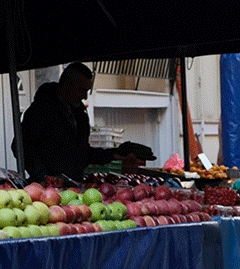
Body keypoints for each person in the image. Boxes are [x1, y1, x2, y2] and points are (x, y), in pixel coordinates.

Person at [15, 62, 154, 183]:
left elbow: (81, 153)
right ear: (67, 85)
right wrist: (43, 176)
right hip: (47, 187)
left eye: (87, 91)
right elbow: (20, 146)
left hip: (73, 185)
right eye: (82, 90)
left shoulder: (79, 114)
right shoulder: (41, 110)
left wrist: (112, 155)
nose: (85, 96)